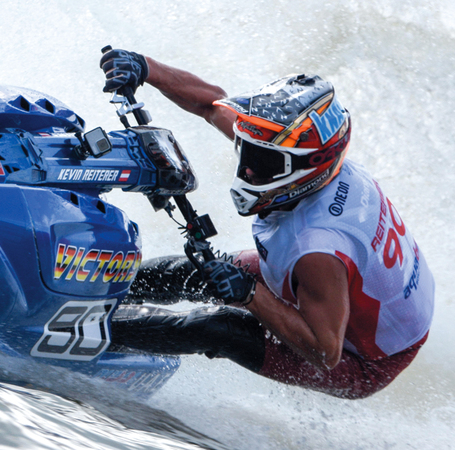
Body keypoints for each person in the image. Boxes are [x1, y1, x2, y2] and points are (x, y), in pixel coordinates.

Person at [102, 49, 435, 399]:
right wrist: (146, 68)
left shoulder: (316, 249)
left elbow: (325, 353)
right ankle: (91, 294)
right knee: (197, 271)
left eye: (261, 161)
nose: (247, 167)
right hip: (349, 293)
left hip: (362, 360)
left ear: (303, 171)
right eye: (249, 151)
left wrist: (249, 294)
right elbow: (211, 105)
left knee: (220, 327)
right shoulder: (294, 155)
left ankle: (84, 332)